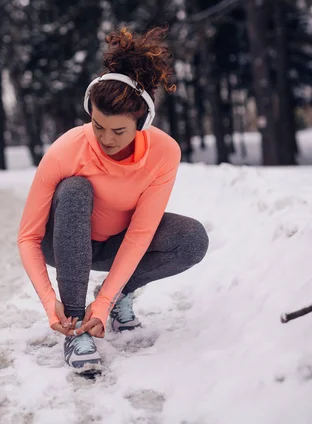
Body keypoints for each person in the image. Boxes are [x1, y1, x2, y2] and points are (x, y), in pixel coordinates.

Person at [17, 26, 209, 375]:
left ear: (143, 121)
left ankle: (118, 293)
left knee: (192, 239)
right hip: (62, 243)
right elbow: (28, 237)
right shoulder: (67, 149)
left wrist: (104, 303)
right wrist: (51, 304)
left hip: (116, 244)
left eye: (118, 130)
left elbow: (140, 233)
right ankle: (75, 326)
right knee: (76, 189)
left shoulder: (164, 153)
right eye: (97, 125)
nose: (105, 138)